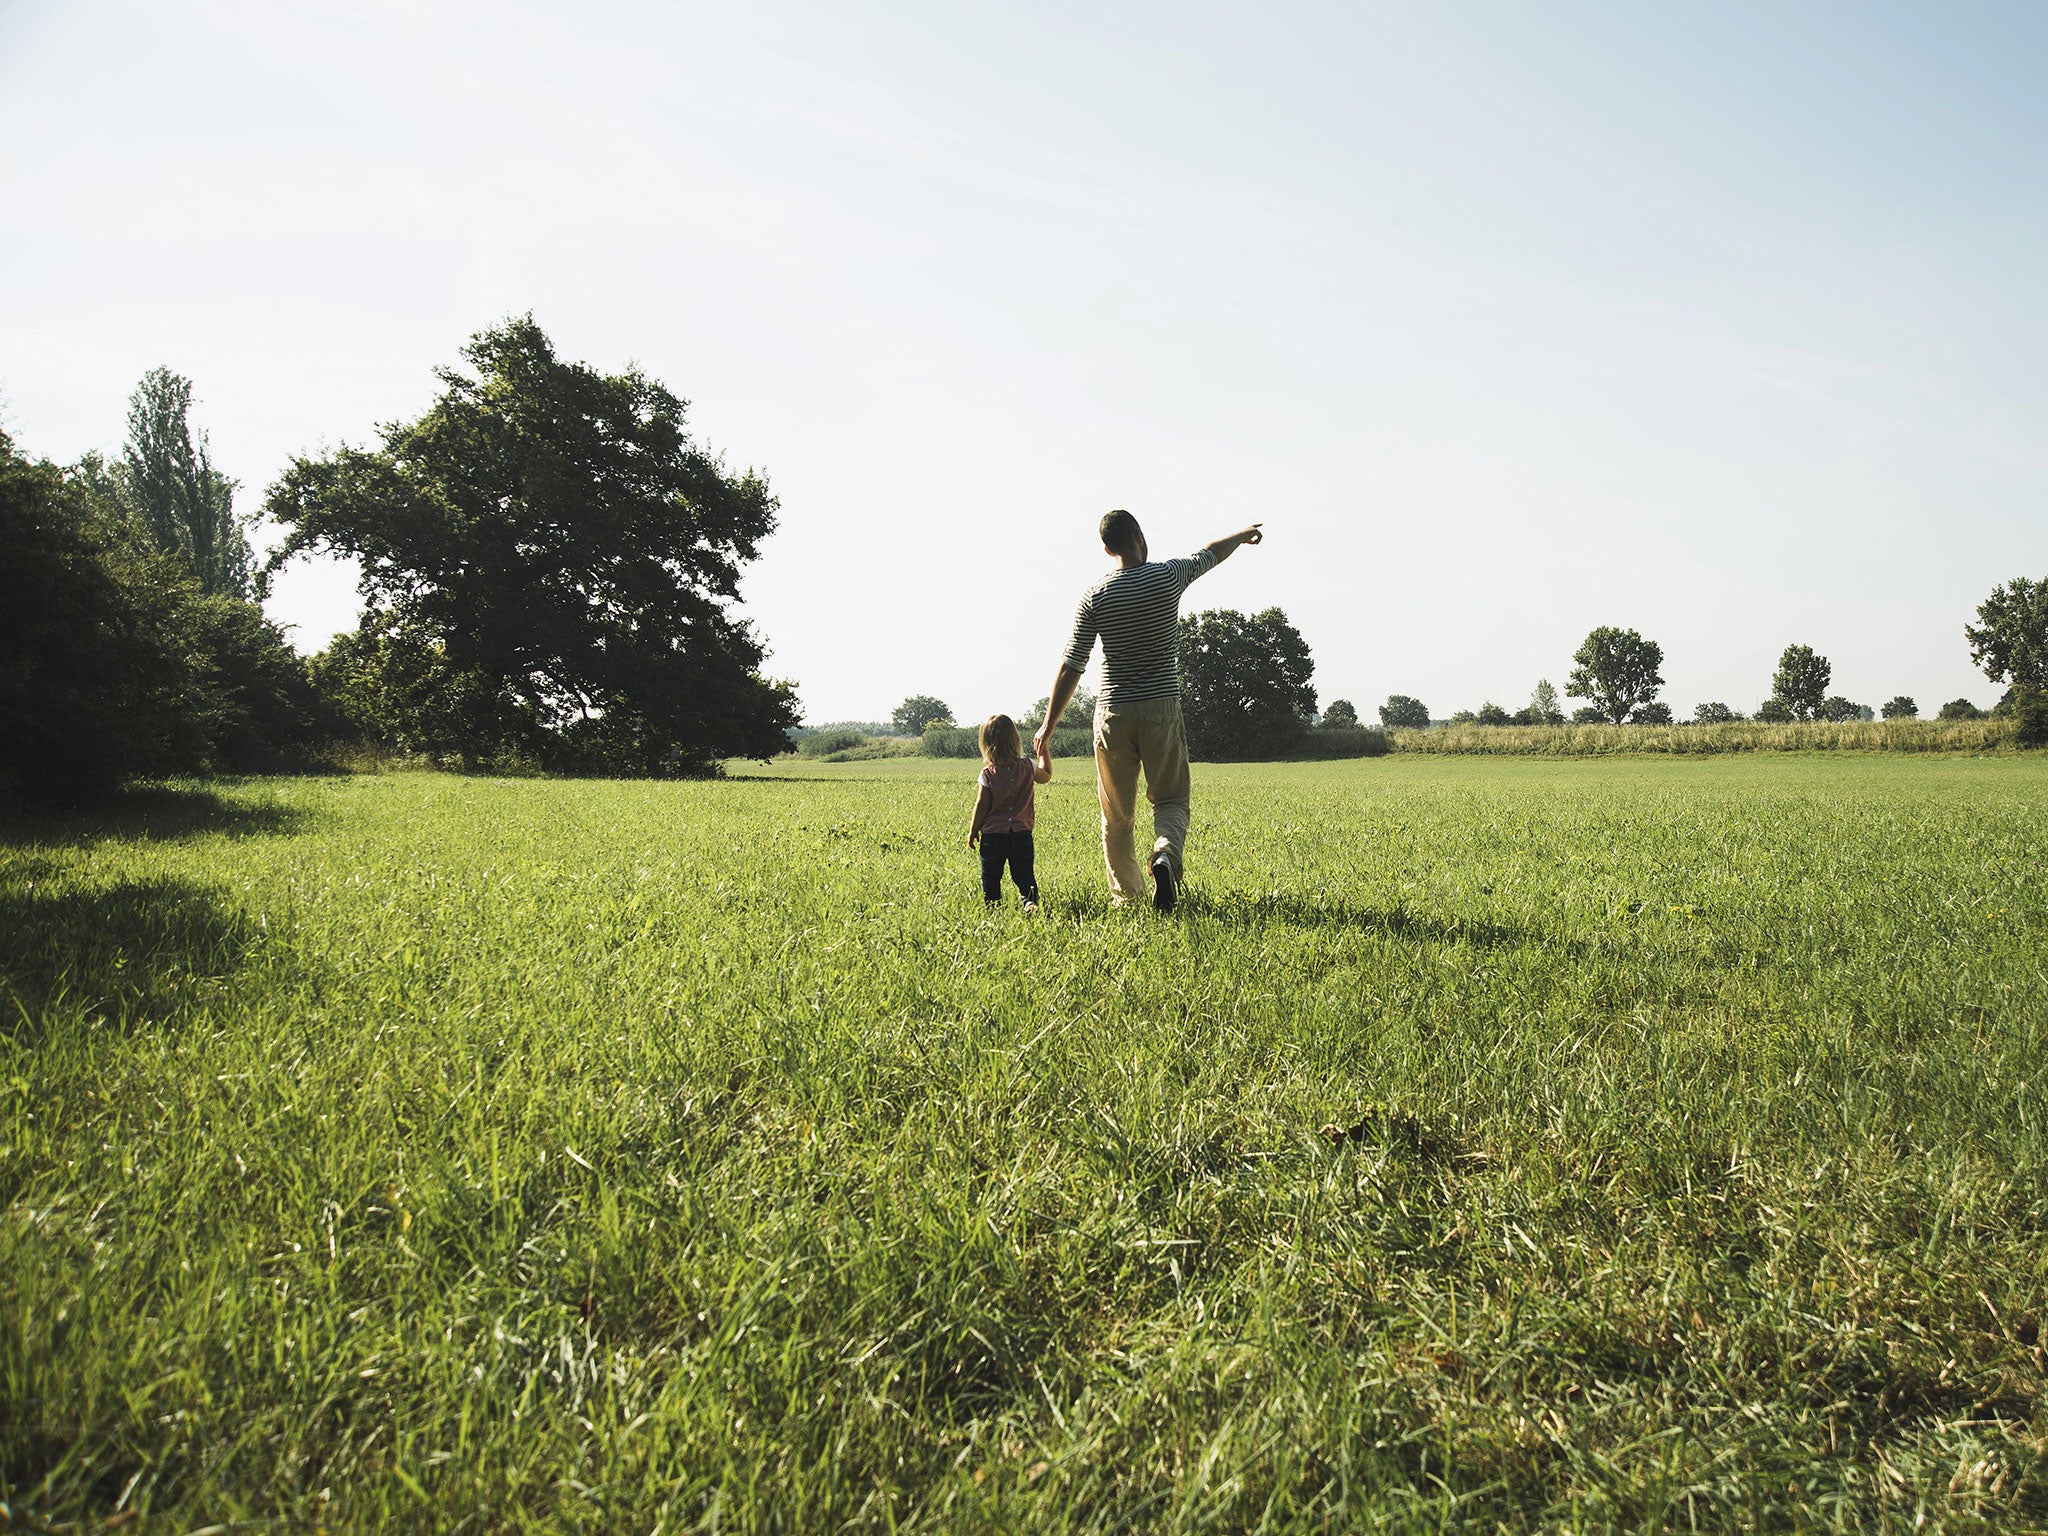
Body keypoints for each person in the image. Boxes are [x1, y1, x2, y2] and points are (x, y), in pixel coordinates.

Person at [1032, 509, 1264, 910]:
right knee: (1171, 800)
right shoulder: (1167, 576)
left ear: (1107, 549)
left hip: (1112, 712)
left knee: (1117, 816)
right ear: (1139, 534)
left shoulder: (1095, 596)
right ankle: (1165, 856)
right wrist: (1241, 536)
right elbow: (1208, 553)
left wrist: (1047, 726)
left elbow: (1073, 664)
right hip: (1160, 707)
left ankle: (1129, 898)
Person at [966, 713, 1052, 908]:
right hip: (1021, 833)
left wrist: (973, 831)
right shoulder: (1028, 766)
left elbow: (981, 805)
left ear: (985, 743)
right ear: (1015, 740)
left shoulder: (987, 774)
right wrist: (1043, 751)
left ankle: (993, 906)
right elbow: (1045, 776)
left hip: (992, 836)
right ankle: (1029, 902)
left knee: (991, 876)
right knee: (1024, 874)